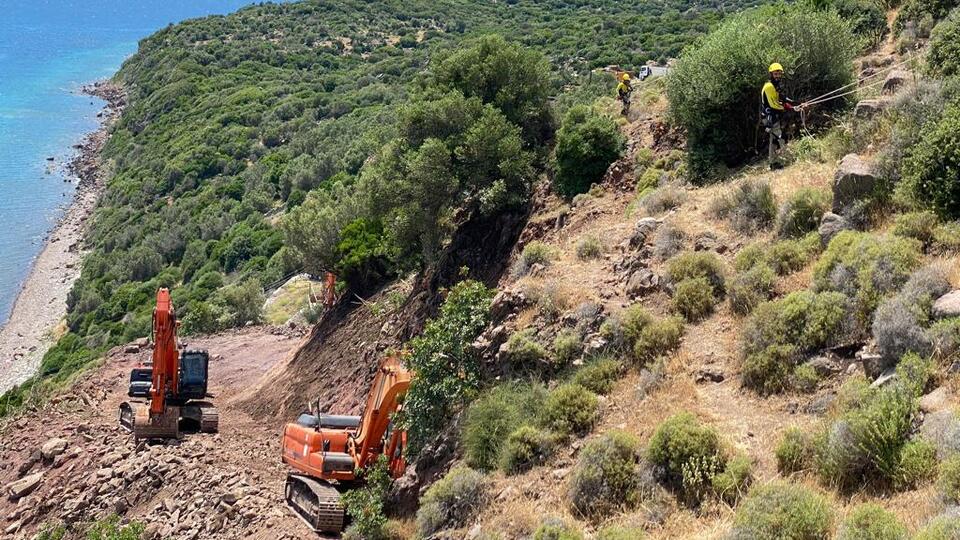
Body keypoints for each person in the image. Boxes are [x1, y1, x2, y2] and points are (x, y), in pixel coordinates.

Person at [760, 63, 797, 170]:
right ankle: (789, 159)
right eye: (776, 74)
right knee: (781, 137)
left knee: (774, 140)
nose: (778, 76)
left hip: (773, 116)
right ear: (771, 73)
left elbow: (782, 98)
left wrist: (794, 104)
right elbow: (774, 104)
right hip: (769, 118)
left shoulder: (775, 85)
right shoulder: (769, 86)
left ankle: (773, 163)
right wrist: (789, 108)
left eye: (779, 74)